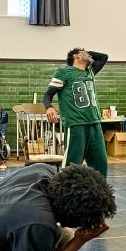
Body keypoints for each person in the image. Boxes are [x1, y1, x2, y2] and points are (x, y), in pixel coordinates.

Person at [44, 47, 109, 177]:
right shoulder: (63, 72)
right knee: (72, 164)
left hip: (94, 123)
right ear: (76, 56)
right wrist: (49, 107)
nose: (89, 55)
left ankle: (99, 193)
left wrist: (86, 52)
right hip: (76, 124)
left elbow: (104, 57)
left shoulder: (90, 71)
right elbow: (48, 94)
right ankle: (62, 190)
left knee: (101, 163)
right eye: (83, 53)